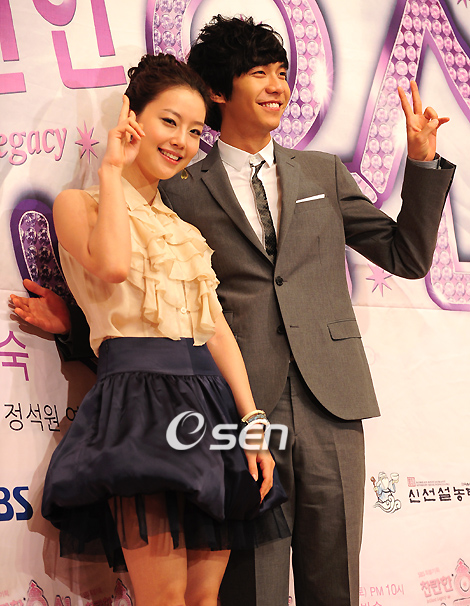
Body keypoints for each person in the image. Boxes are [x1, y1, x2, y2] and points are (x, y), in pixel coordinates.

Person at [11, 15, 456, 606]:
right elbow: (145, 292)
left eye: (282, 72)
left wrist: (422, 163)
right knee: (250, 588)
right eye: (259, 73)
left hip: (331, 401)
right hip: (228, 408)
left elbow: (407, 255)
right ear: (220, 90)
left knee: (336, 582)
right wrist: (73, 332)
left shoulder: (322, 172)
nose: (278, 86)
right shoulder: (175, 187)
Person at [28, 53, 289, 606]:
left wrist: (252, 421)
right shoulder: (79, 203)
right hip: (139, 402)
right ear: (132, 118)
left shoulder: (183, 228)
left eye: (194, 130)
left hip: (210, 403)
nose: (181, 141)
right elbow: (112, 266)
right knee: (164, 599)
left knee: (204, 599)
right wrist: (111, 169)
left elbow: (216, 330)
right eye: (169, 121)